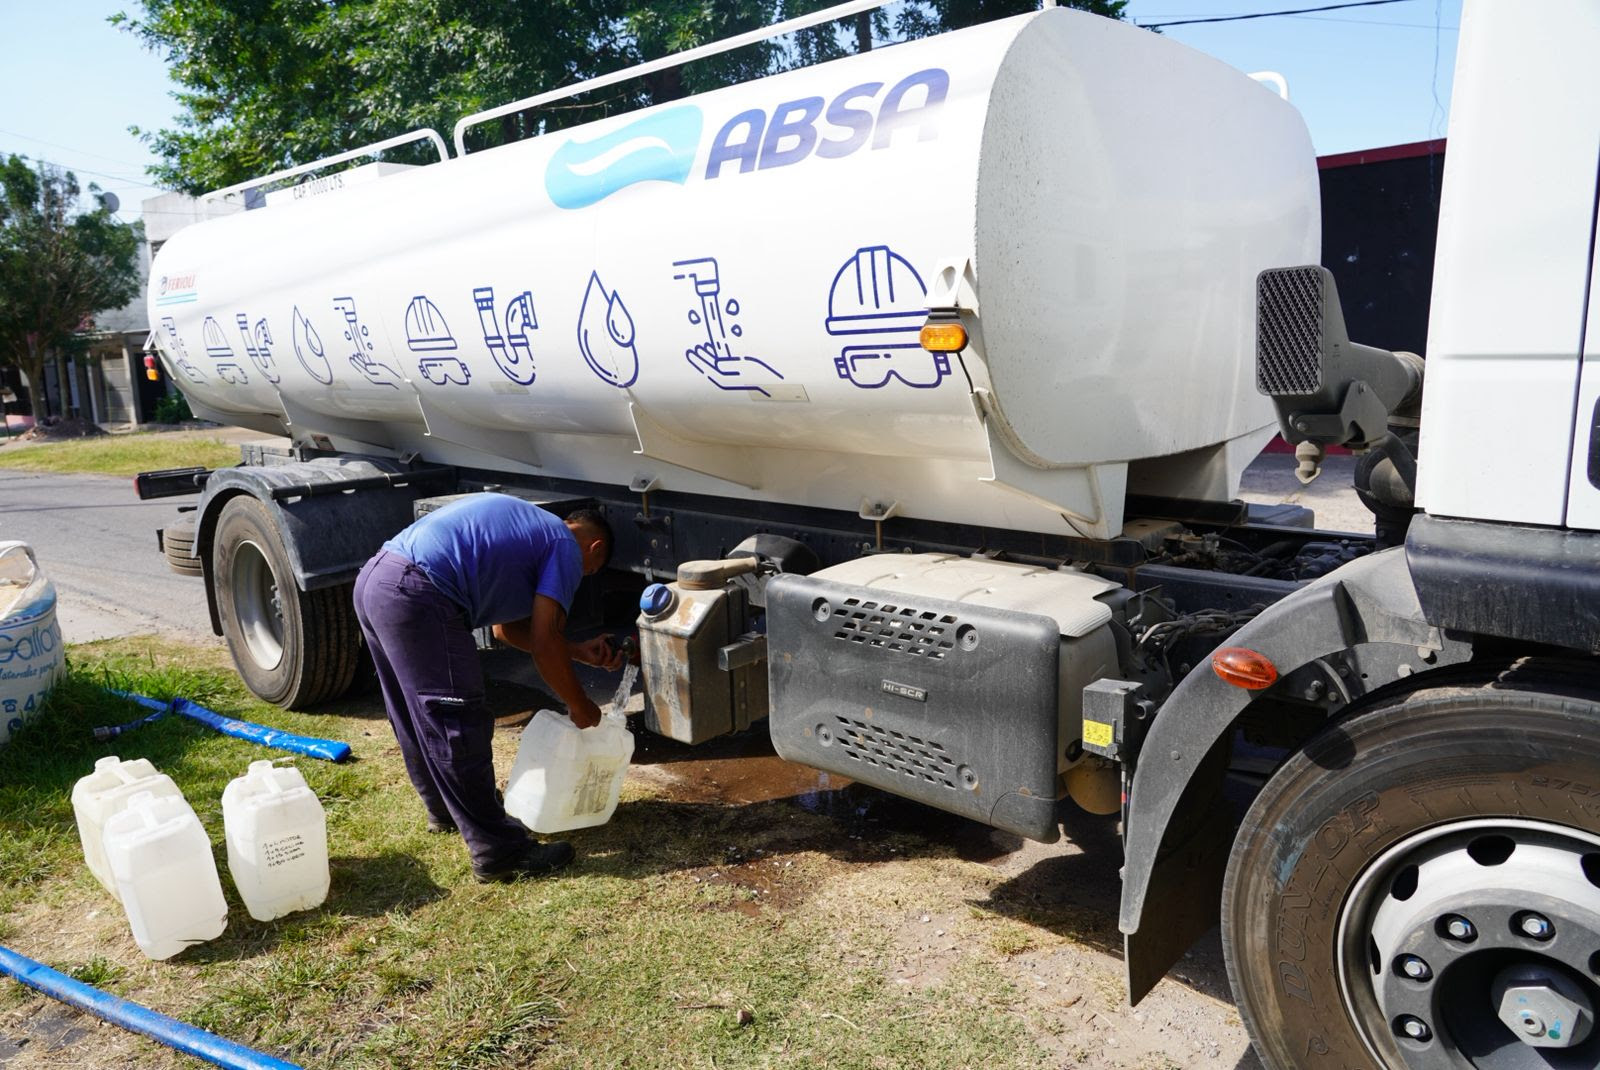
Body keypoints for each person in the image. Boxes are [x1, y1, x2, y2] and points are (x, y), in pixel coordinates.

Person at [352, 494, 623, 883]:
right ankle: (499, 850)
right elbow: (545, 642)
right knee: (457, 718)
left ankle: (445, 809)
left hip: (377, 579)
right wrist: (580, 704)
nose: (581, 578)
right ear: (593, 548)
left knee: (413, 712)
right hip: (419, 591)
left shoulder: (532, 531)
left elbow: (506, 630)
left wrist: (578, 652)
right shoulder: (565, 546)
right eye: (591, 571)